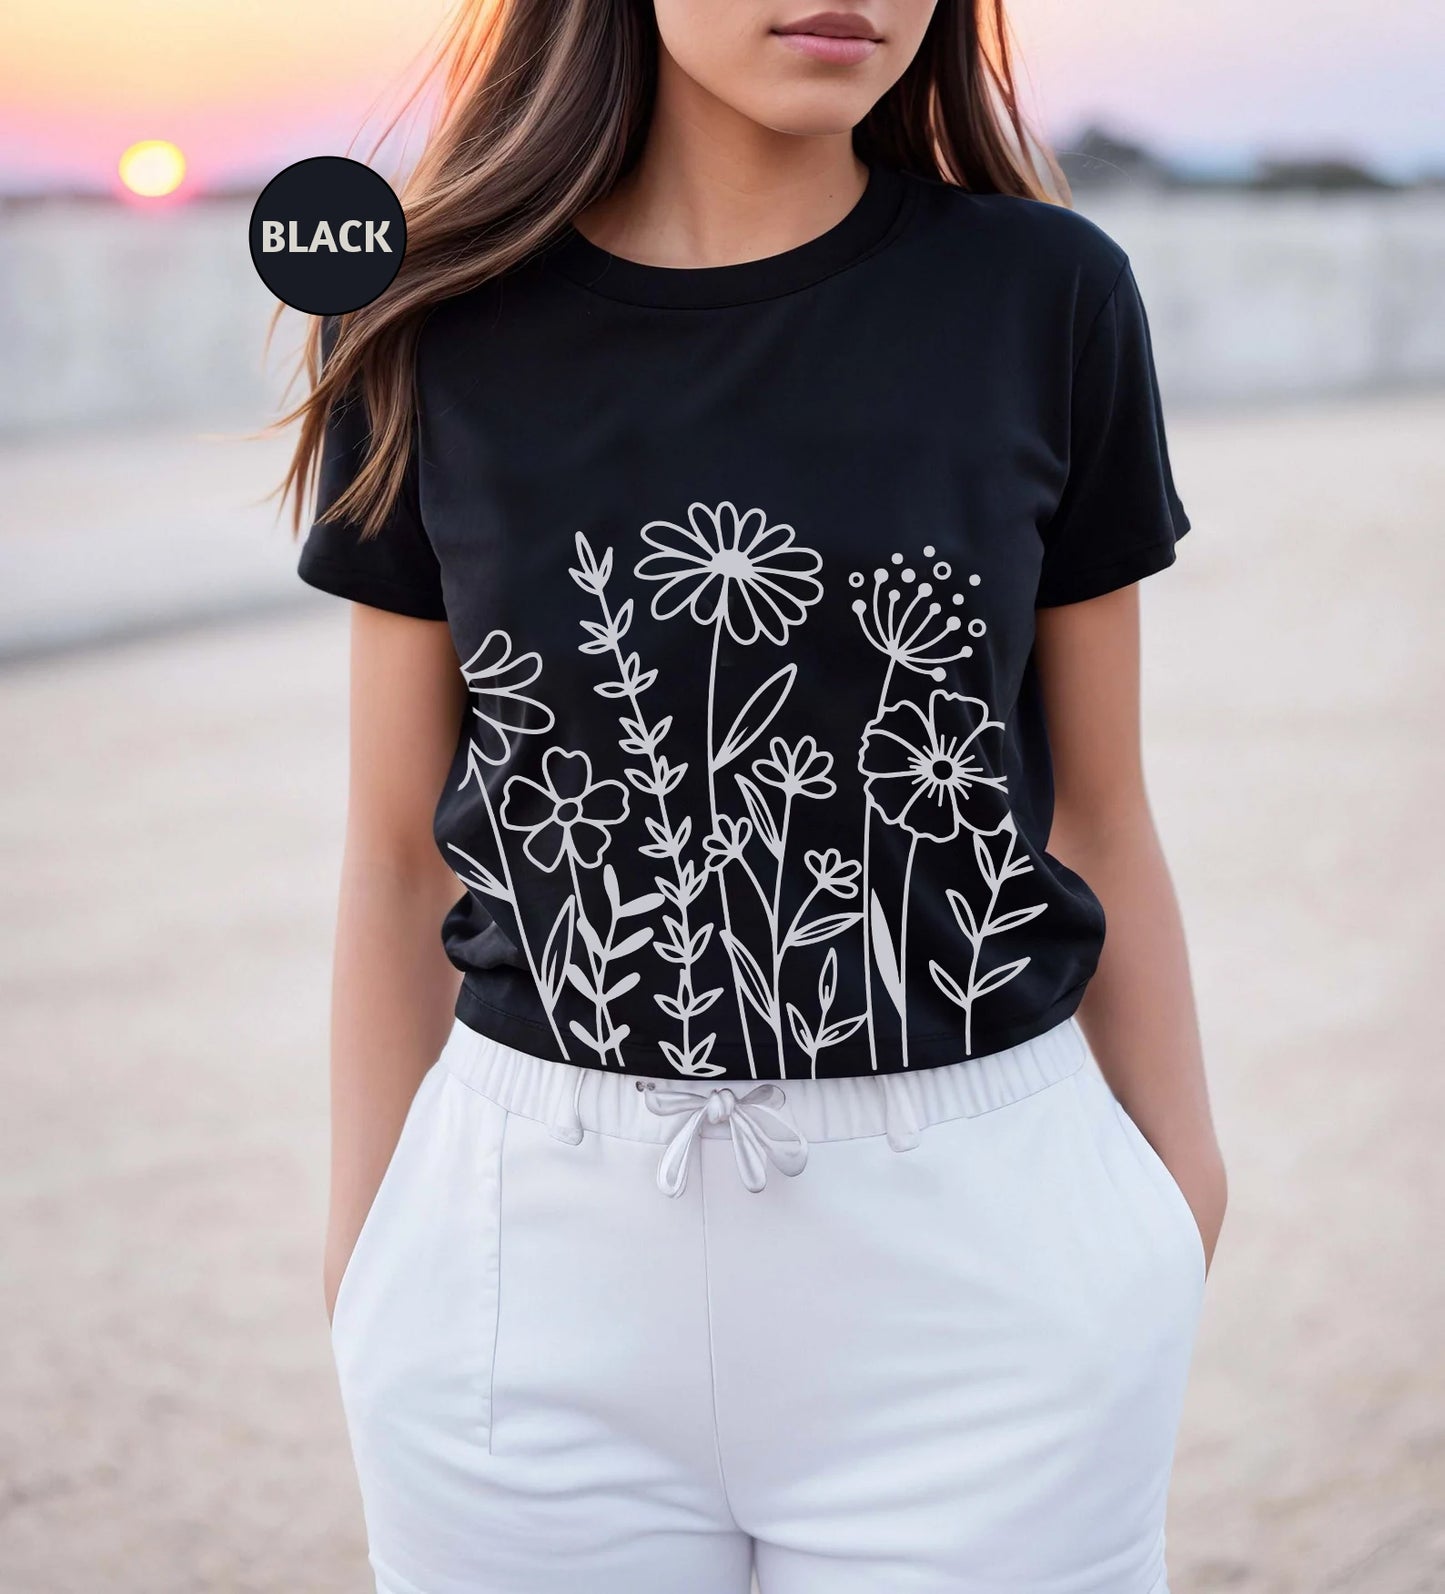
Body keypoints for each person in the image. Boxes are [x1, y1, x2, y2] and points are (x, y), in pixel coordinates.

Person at [283, 2, 1228, 1589]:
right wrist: (372, 1265)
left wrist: (1174, 1203)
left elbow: (1097, 807)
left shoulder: (1044, 297)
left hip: (985, 1274)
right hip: (525, 1287)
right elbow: (393, 853)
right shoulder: (421, 319)